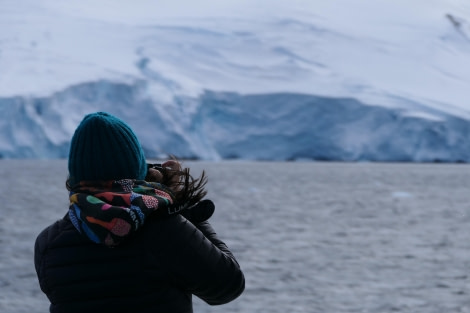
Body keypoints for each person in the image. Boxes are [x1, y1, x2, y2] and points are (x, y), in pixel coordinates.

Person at [34, 112, 245, 313]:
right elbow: (228, 286)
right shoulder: (164, 229)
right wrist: (178, 203)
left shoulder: (49, 243)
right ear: (137, 171)